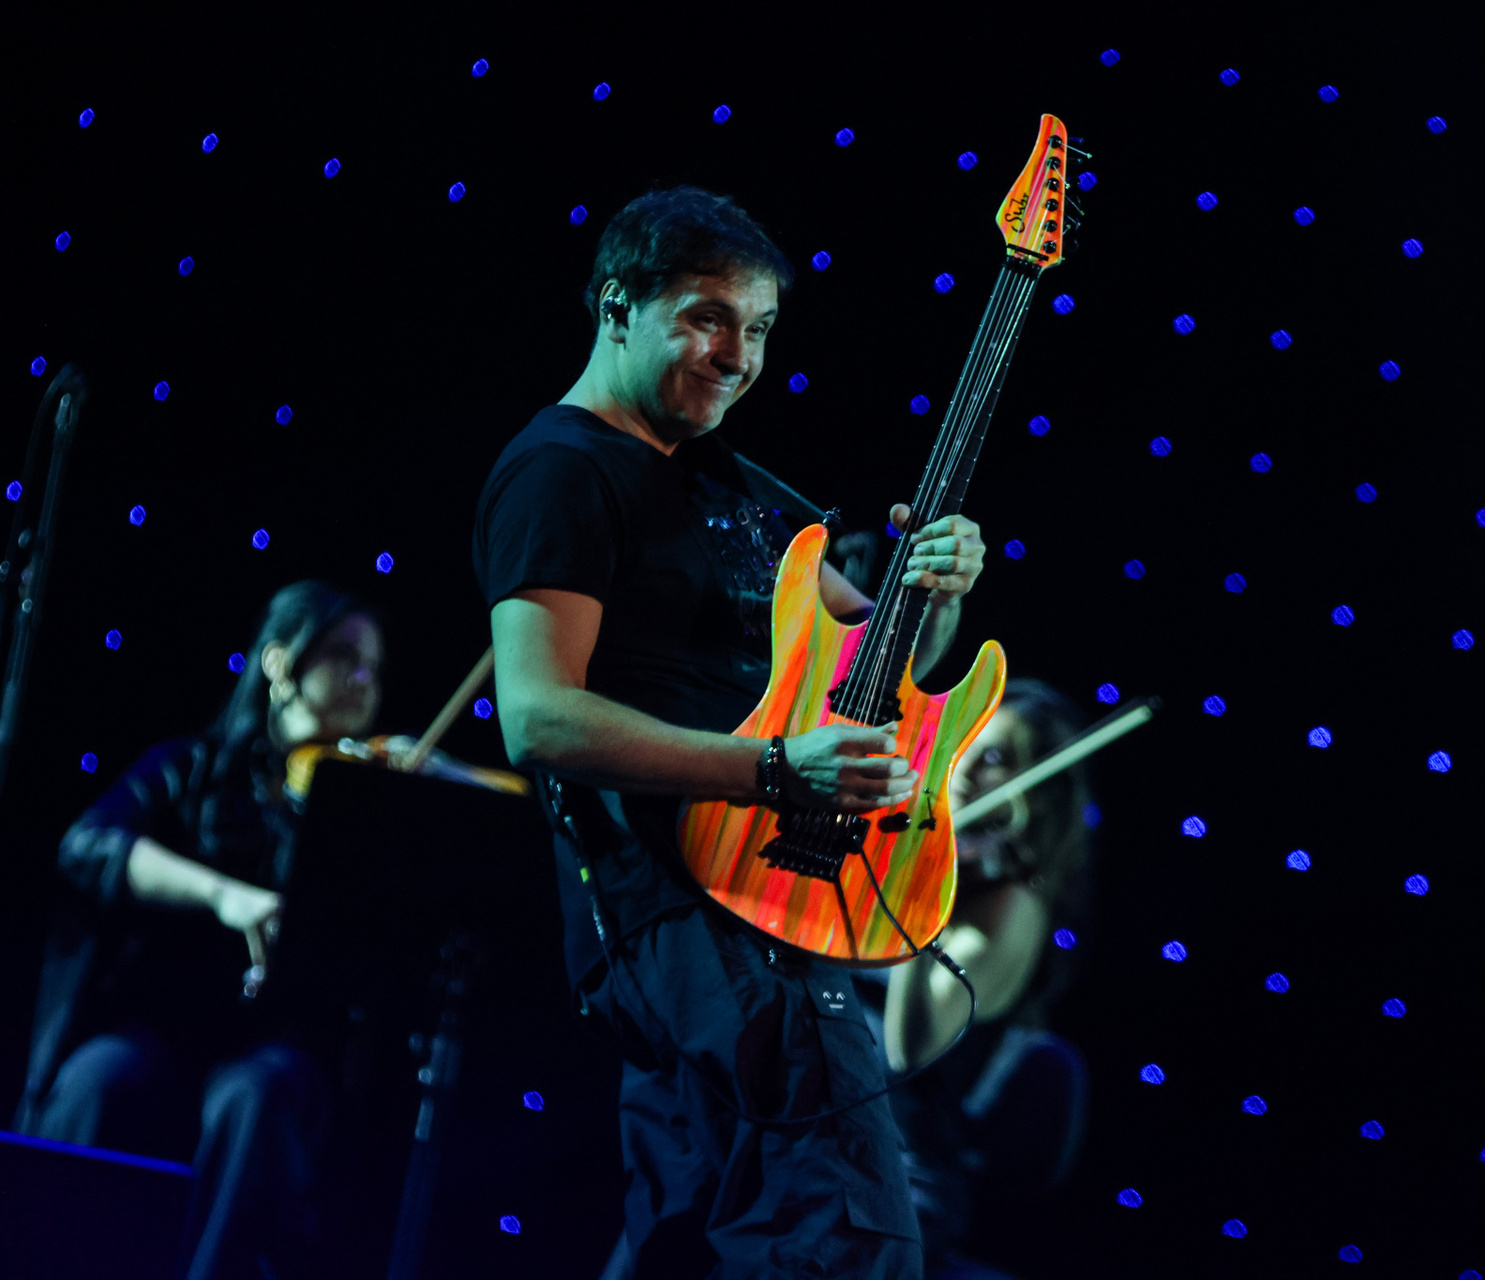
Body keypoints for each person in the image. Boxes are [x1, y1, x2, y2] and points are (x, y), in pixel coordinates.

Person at [474, 186, 987, 1279]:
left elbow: (876, 671)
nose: (738, 355)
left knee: (693, 1244)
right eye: (708, 317)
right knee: (842, 1240)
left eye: (758, 328)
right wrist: (774, 768)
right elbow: (537, 716)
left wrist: (934, 594)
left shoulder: (738, 488)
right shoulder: (563, 469)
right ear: (618, 306)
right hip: (685, 909)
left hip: (748, 905)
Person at [13, 580, 384, 1280]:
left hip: (271, 1045)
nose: (365, 682)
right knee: (101, 1078)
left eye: (374, 668)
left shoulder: (357, 807)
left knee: (259, 1096)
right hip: (157, 1024)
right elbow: (90, 845)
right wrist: (222, 894)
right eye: (344, 656)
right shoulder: (190, 768)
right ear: (280, 662)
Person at [874, 679, 1095, 1278]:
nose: (967, 767)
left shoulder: (1011, 905)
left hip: (891, 1190)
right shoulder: (959, 868)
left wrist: (914, 894)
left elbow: (909, 1048)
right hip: (824, 1143)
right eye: (967, 743)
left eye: (996, 757)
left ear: (1039, 795)